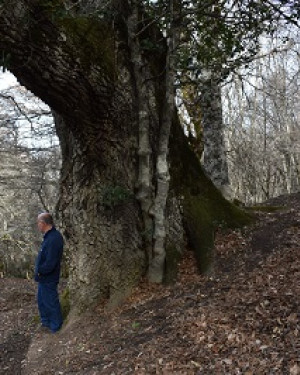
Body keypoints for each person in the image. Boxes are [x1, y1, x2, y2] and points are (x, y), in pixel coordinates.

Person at [34, 212, 64, 333]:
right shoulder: (48, 236)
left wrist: (41, 271)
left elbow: (51, 262)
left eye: (38, 223)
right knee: (42, 301)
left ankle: (56, 326)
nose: (37, 225)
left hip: (49, 277)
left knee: (51, 302)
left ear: (43, 223)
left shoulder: (54, 238)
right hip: (43, 278)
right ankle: (46, 323)